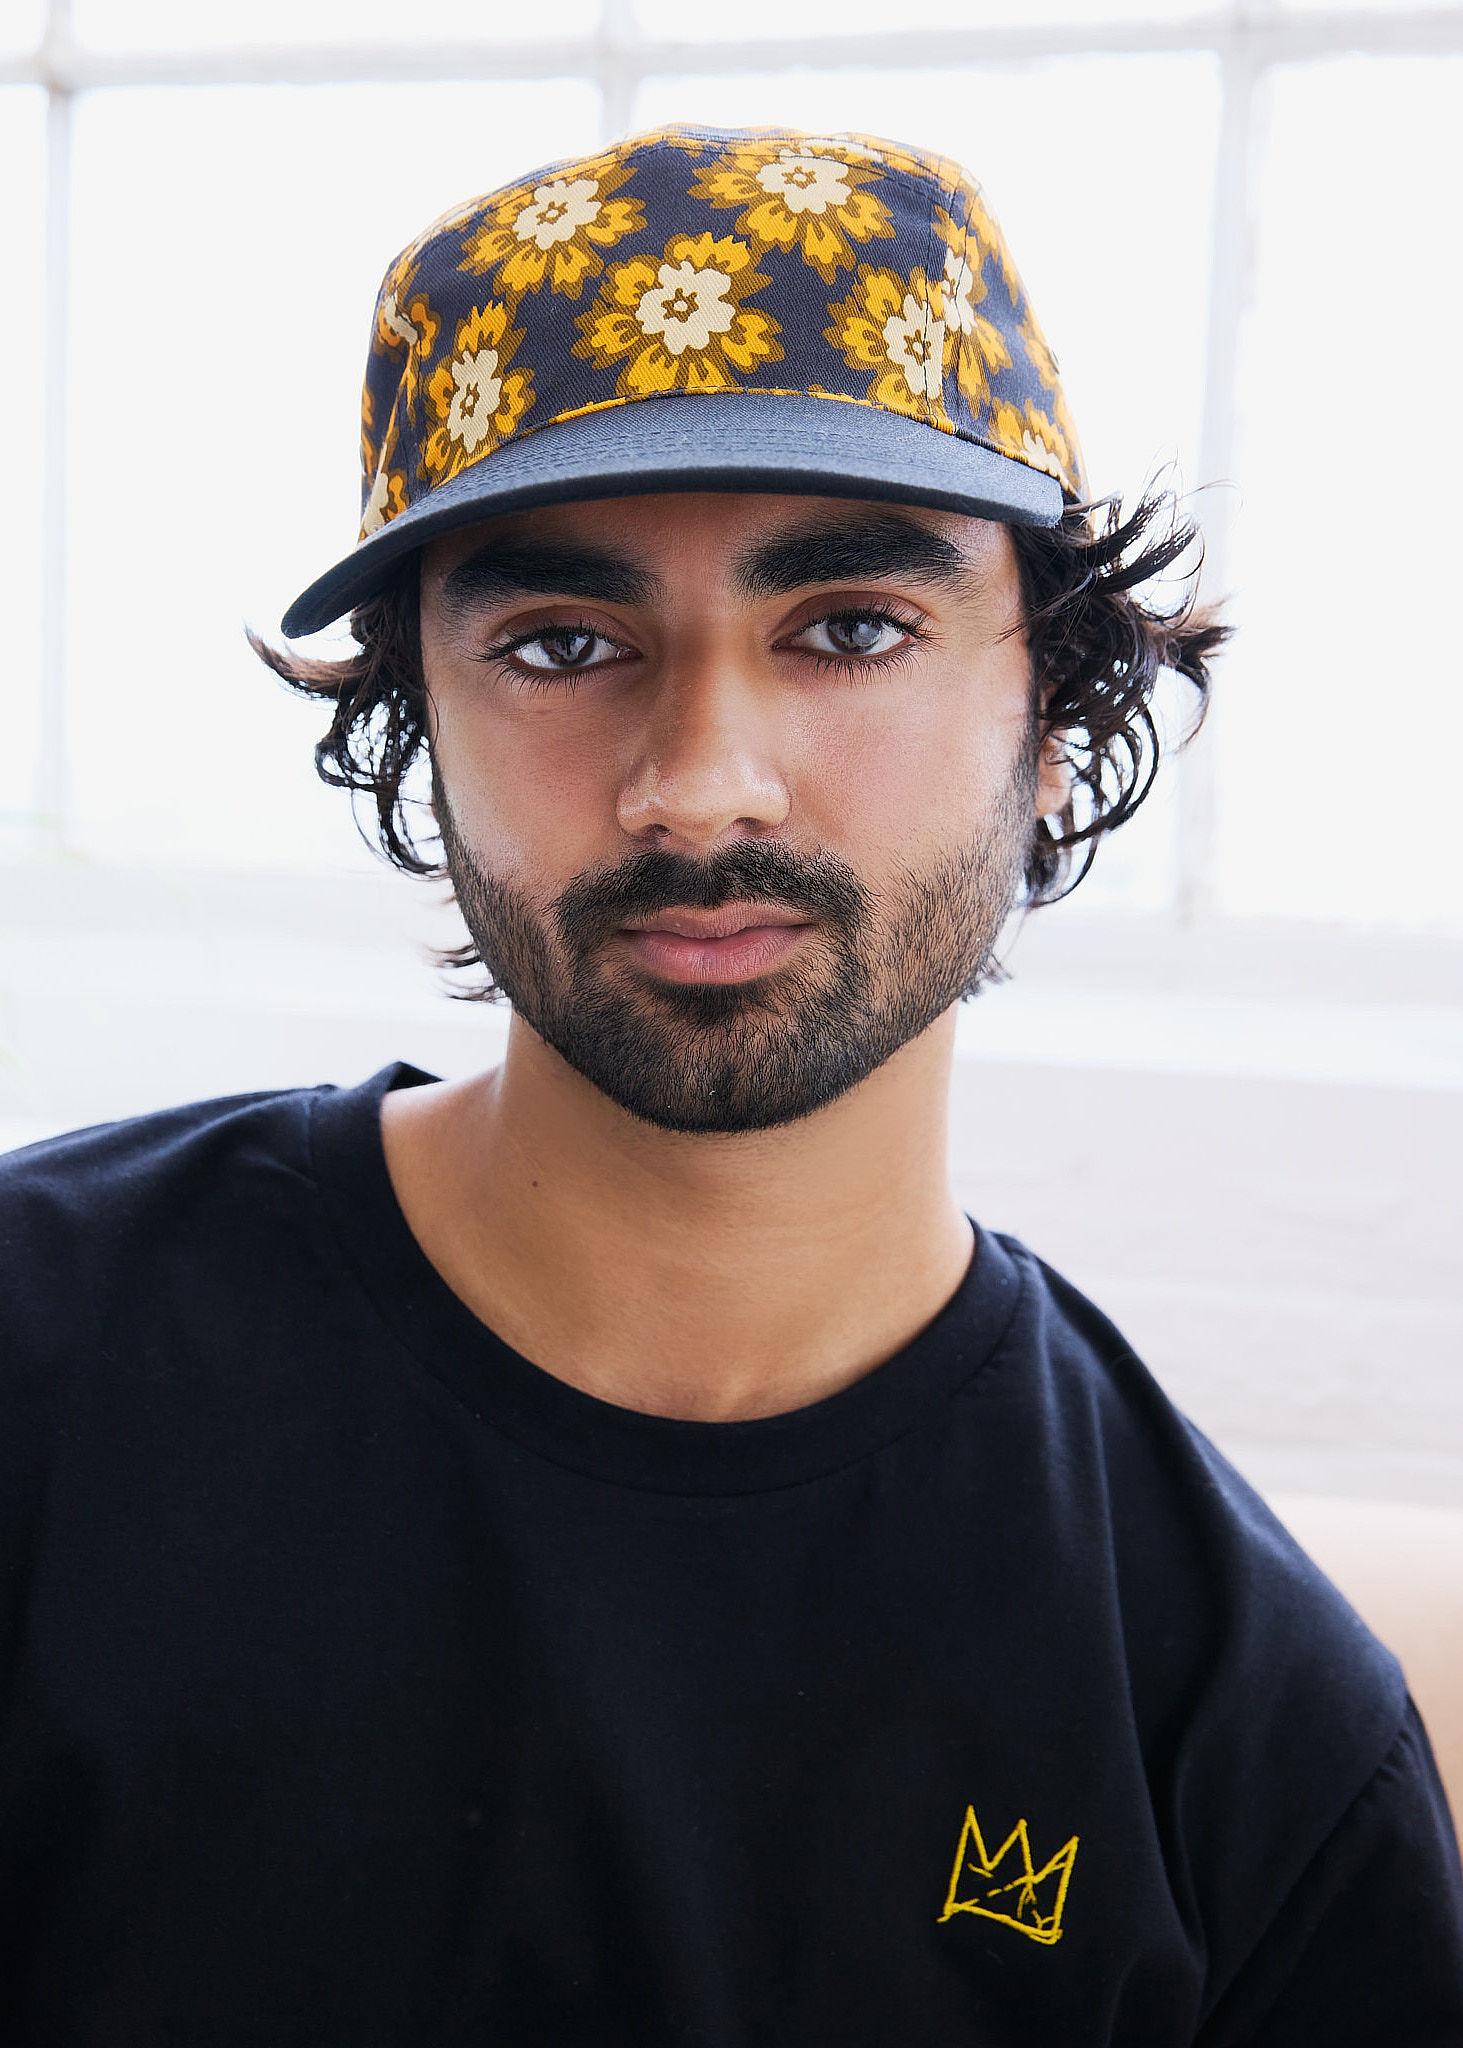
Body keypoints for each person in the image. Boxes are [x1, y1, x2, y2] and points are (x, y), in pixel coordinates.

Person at [1, 124, 1459, 2046]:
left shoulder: (1234, 1732)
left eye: (849, 631)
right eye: (562, 643)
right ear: (418, 727)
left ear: (1056, 714)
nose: (701, 782)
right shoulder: (40, 1370)